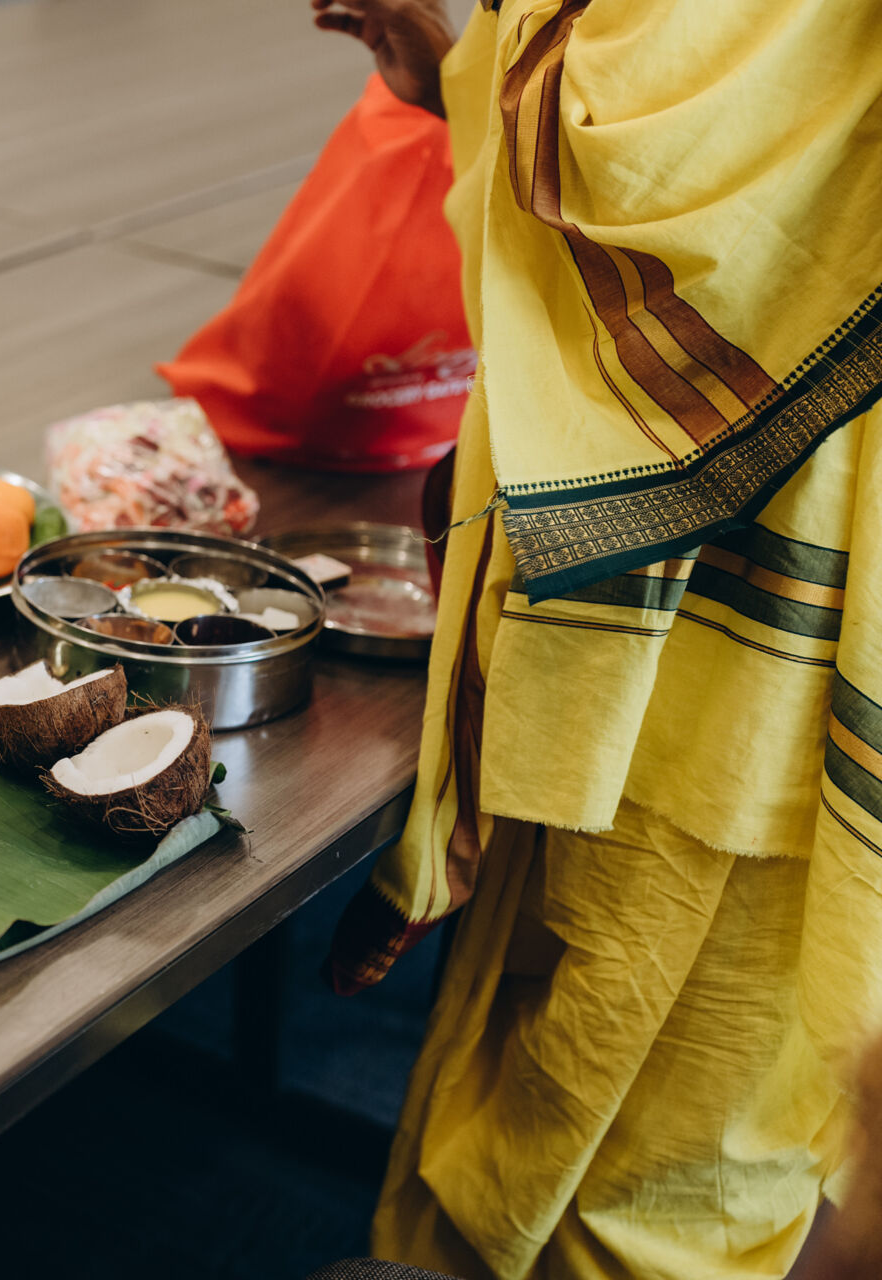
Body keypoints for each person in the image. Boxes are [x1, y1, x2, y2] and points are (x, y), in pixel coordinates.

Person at [313, 2, 882, 1277]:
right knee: (569, 1047)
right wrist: (466, 67)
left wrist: (496, 55)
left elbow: (667, 157)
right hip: (696, 585)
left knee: (643, 1146)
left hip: (759, 612)